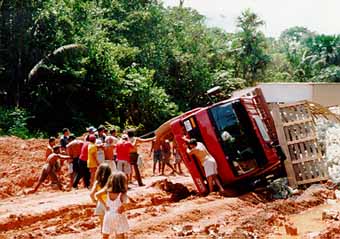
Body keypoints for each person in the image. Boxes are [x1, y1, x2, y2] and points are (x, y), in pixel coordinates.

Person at [96, 172, 129, 239]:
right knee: (120, 235)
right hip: (118, 215)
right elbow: (126, 202)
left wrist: (105, 204)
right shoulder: (122, 194)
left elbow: (97, 194)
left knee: (105, 235)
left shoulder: (107, 191)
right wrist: (122, 207)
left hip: (108, 214)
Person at [90, 164, 112, 233]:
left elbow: (91, 194)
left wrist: (95, 201)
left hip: (100, 204)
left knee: (103, 226)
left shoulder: (97, 182)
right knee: (113, 226)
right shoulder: (110, 182)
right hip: (109, 204)